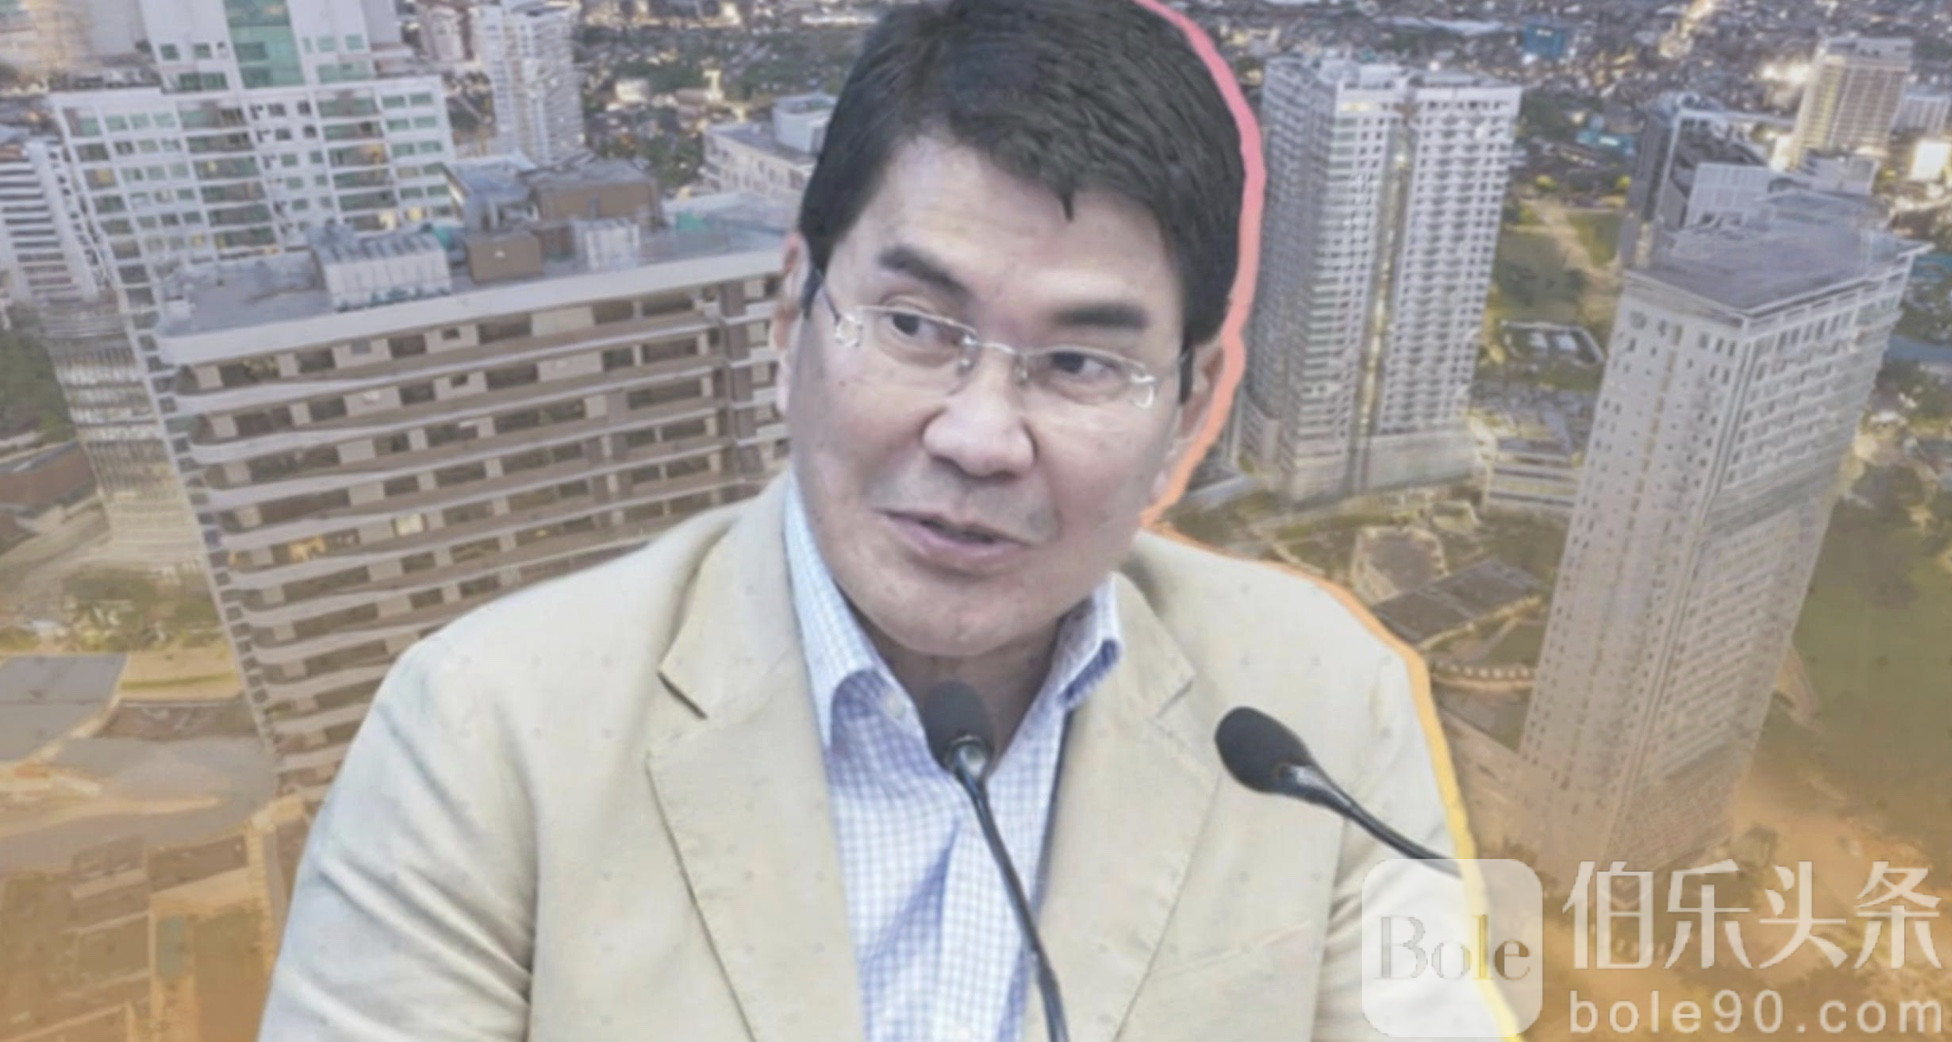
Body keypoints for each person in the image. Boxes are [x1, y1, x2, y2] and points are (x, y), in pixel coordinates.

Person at [260, 0, 1507, 1038]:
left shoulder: (1316, 709)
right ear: (789, 315)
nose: (979, 435)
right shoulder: (484, 734)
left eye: (1080, 362)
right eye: (914, 325)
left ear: (1185, 410)